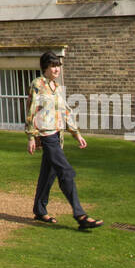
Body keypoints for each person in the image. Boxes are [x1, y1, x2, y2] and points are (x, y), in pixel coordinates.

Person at [26, 52, 103, 230]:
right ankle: (80, 215)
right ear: (45, 67)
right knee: (66, 172)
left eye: (58, 65)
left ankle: (39, 209)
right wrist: (31, 136)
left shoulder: (57, 87)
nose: (56, 69)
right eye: (53, 66)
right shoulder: (37, 84)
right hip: (46, 136)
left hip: (58, 136)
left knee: (49, 174)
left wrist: (76, 134)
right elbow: (31, 110)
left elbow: (65, 111)